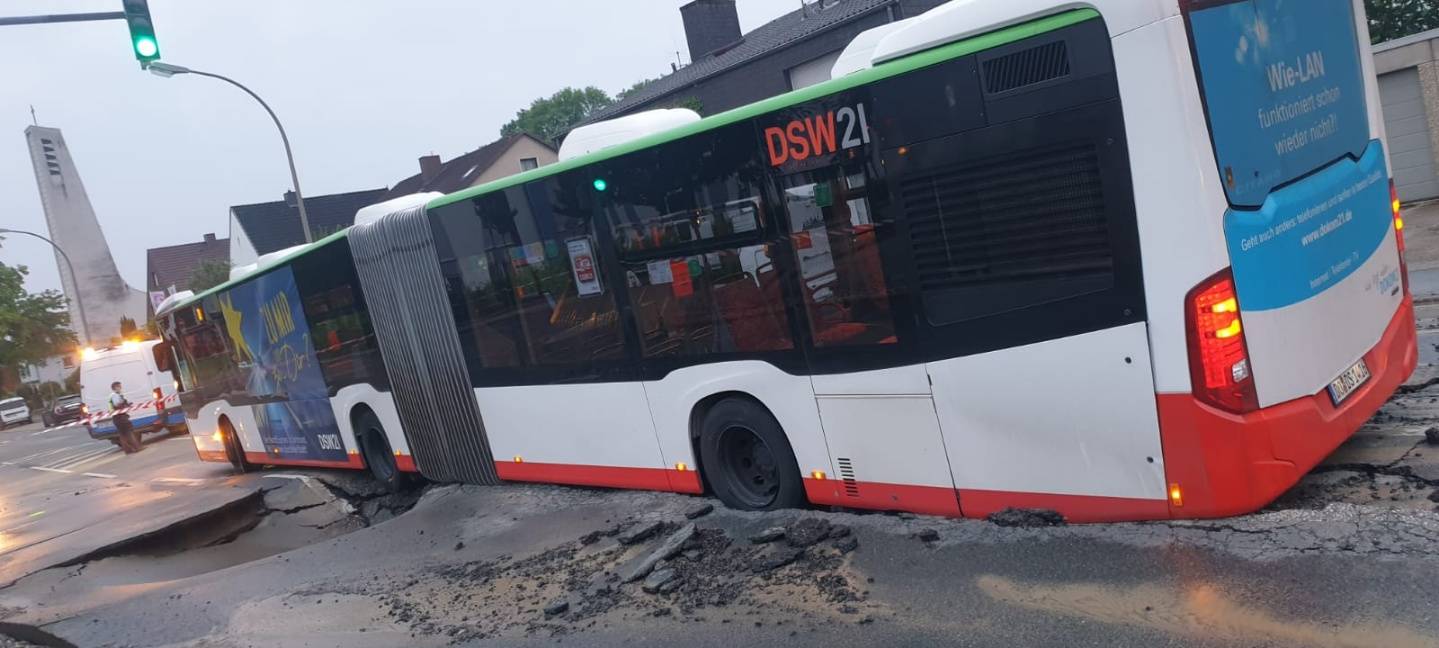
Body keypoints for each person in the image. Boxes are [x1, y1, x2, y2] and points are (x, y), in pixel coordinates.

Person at [109, 381, 141, 454]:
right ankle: (137, 447)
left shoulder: (113, 396)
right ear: (115, 387)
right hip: (120, 417)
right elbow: (117, 405)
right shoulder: (115, 395)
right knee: (129, 432)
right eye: (119, 387)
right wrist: (125, 405)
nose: (121, 388)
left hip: (117, 417)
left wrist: (126, 404)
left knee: (123, 435)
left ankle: (128, 450)